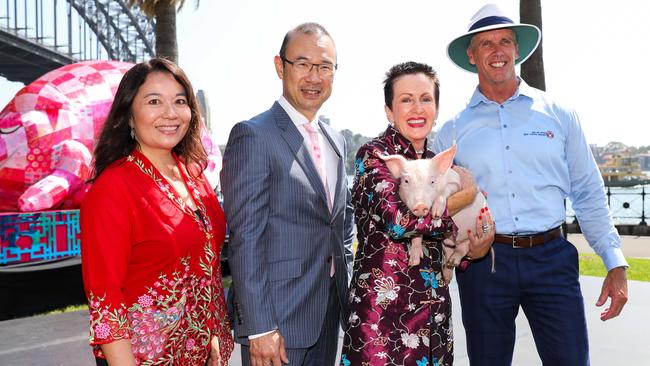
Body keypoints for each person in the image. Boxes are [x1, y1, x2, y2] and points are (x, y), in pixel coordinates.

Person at [433, 4, 629, 365]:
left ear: (517, 50)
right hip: (484, 264)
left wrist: (614, 263)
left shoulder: (559, 114)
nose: (498, 51)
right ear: (471, 55)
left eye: (505, 41)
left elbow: (587, 190)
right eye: (486, 43)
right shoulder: (451, 132)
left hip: (552, 258)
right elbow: (437, 207)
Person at [81, 58, 233, 366]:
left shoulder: (193, 176)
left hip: (202, 353)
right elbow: (105, 297)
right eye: (154, 101)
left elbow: (207, 267)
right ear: (129, 116)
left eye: (180, 101)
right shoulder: (113, 189)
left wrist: (212, 337)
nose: (170, 113)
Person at [340, 61, 494, 366]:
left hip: (434, 323)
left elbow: (449, 240)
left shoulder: (440, 163)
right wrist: (463, 199)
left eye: (426, 99)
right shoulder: (376, 156)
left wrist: (473, 249)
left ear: (436, 109)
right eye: (406, 99)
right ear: (389, 110)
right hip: (382, 321)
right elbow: (399, 222)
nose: (417, 108)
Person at [220, 23, 354, 366]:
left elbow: (340, 224)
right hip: (277, 322)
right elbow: (245, 239)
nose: (314, 76)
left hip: (328, 314)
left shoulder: (336, 140)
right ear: (281, 66)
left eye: (324, 66)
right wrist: (260, 326)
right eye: (303, 64)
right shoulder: (253, 135)